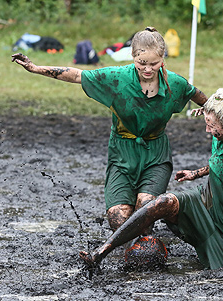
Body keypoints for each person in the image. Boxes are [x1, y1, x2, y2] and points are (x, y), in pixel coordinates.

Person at [79, 88, 223, 269]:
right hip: (205, 201)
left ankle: (214, 247)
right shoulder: (221, 135)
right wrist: (197, 173)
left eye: (211, 126)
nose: (207, 131)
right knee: (163, 202)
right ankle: (101, 252)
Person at [11, 27, 208, 237]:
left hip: (155, 153)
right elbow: (77, 75)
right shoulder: (116, 78)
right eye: (142, 63)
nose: (148, 69)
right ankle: (137, 233)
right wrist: (35, 68)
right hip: (121, 153)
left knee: (145, 207)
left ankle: (156, 239)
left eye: (154, 63)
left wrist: (210, 110)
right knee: (118, 219)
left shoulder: (175, 84)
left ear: (162, 59)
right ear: (133, 56)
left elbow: (196, 94)